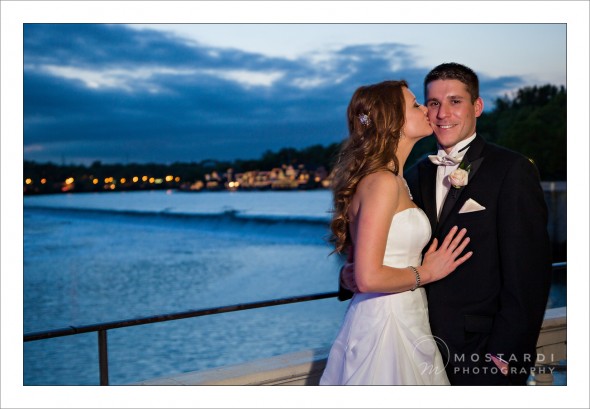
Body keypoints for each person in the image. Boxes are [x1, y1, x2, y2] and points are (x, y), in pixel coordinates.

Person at [340, 63, 552, 385]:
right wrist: (349, 276)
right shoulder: (410, 178)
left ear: (477, 107)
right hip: (418, 340)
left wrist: (507, 355)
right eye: (433, 103)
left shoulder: (511, 170)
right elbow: (383, 251)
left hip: (482, 353)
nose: (441, 114)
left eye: (455, 101)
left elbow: (530, 273)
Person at [319, 80, 473, 385]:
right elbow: (367, 278)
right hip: (387, 326)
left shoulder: (396, 180)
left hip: (406, 317)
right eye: (415, 104)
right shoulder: (383, 183)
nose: (426, 109)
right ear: (393, 120)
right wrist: (427, 272)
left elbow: (355, 269)